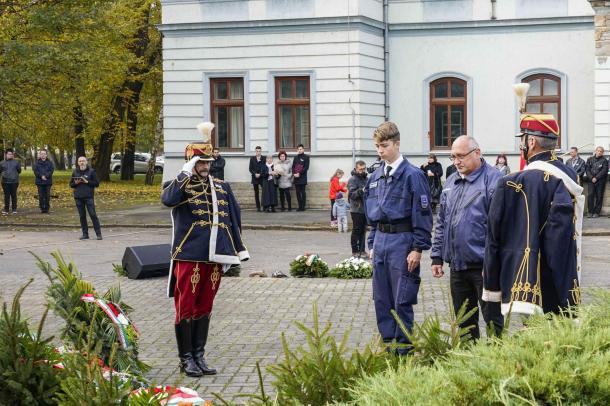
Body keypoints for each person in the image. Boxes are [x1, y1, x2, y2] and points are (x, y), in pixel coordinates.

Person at [161, 122, 249, 377]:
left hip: (214, 256)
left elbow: (233, 217)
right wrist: (185, 174)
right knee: (186, 307)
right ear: (190, 162)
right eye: (200, 162)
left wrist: (236, 252)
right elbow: (168, 200)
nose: (205, 166)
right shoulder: (178, 184)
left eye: (207, 162)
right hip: (189, 255)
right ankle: (185, 359)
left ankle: (199, 355)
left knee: (205, 307)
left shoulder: (222, 186)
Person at [483, 113, 584, 316]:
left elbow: (494, 236)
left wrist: (492, 284)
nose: (521, 146)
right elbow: (560, 238)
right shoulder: (569, 176)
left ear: (531, 142)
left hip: (524, 282)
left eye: (522, 140)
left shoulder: (509, 183)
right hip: (562, 276)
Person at [363, 121, 433, 354]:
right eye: (377, 146)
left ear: (397, 144)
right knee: (382, 300)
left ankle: (403, 352)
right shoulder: (375, 176)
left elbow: (423, 215)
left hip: (402, 242)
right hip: (381, 240)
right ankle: (388, 347)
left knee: (402, 298)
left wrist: (418, 248)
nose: (380, 151)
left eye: (384, 145)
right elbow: (373, 215)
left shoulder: (413, 175)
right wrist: (372, 243)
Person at [430, 136, 503, 339]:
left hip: (484, 269)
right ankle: (469, 363)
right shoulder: (452, 180)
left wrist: (492, 264)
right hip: (458, 267)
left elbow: (500, 229)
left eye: (461, 156)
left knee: (493, 323)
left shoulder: (494, 180)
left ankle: (496, 363)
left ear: (477, 153)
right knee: (464, 324)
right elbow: (442, 221)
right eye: (453, 157)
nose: (456, 161)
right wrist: (436, 256)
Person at [70, 156, 102, 240]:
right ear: (78, 163)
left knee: (93, 215)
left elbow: (97, 184)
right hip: (78, 197)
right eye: (80, 161)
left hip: (88, 197)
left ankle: (98, 234)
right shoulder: (75, 172)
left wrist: (87, 182)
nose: (82, 163)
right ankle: (85, 234)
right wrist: (76, 183)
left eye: (83, 161)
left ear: (86, 162)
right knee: (82, 216)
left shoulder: (91, 172)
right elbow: (71, 184)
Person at [348, 160, 368, 257]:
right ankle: (355, 251)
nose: (362, 171)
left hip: (365, 209)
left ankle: (362, 250)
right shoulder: (353, 179)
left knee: (363, 231)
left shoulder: (366, 179)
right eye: (360, 169)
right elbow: (352, 195)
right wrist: (362, 190)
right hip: (356, 209)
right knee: (357, 230)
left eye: (364, 169)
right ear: (356, 169)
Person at [584, 146, 608, 218]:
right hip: (591, 181)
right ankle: (590, 211)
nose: (599, 152)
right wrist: (591, 177)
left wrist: (596, 178)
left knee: (599, 196)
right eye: (598, 151)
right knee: (590, 195)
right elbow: (587, 169)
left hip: (600, 181)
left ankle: (597, 212)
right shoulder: (590, 159)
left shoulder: (604, 160)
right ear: (595, 151)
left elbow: (604, 171)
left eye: (601, 151)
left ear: (602, 153)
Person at [33, 149, 55, 213]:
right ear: (40, 155)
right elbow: (35, 171)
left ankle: (47, 208)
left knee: (47, 195)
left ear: (46, 155)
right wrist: (41, 176)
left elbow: (51, 170)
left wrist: (46, 176)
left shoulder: (50, 163)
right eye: (41, 154)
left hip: (48, 181)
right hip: (39, 182)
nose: (43, 155)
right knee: (41, 196)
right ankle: (42, 208)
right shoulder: (36, 163)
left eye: (44, 154)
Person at [0, 149, 21, 215]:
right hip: (5, 182)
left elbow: (19, 171)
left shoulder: (16, 162)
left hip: (14, 181)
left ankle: (14, 209)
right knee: (6, 196)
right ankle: (6, 209)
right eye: (9, 154)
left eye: (11, 154)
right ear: (6, 154)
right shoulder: (2, 163)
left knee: (14, 195)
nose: (10, 155)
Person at [292, 144, 310, 211]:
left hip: (302, 177)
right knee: (297, 192)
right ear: (297, 150)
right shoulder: (295, 157)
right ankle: (299, 206)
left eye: (301, 149)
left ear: (303, 149)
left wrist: (299, 173)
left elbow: (306, 167)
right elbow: (293, 167)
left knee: (303, 192)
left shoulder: (306, 157)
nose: (300, 150)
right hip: (296, 177)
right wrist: (294, 173)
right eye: (298, 149)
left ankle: (303, 206)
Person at [248, 146, 265, 212]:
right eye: (257, 151)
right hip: (255, 177)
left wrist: (260, 174)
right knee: (256, 192)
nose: (258, 152)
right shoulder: (252, 158)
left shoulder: (264, 158)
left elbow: (264, 167)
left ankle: (264, 206)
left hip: (262, 177)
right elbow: (250, 168)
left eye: (259, 151)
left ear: (261, 151)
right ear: (255, 151)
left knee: (264, 192)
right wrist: (255, 174)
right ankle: (258, 207)